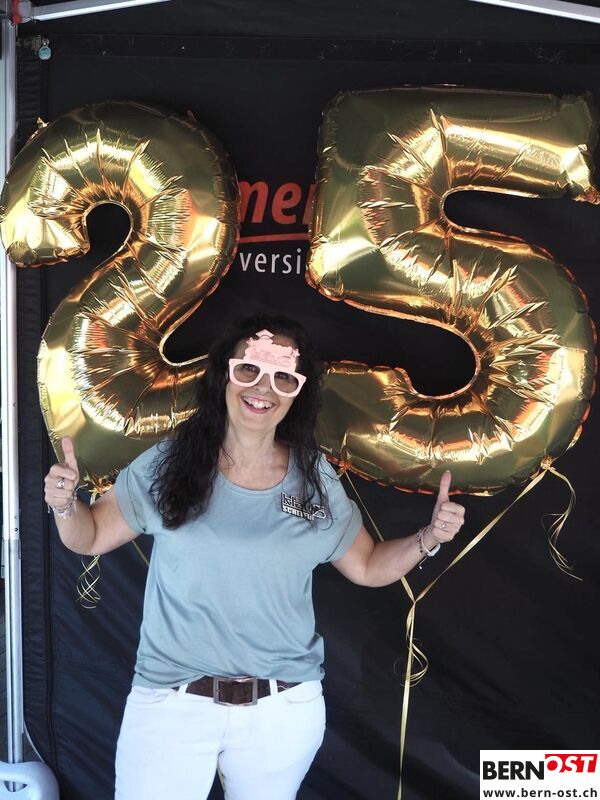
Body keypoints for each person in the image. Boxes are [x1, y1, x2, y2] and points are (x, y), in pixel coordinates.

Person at [44, 314, 465, 800]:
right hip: (172, 705)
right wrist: (63, 504)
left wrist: (429, 536)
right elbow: (91, 536)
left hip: (280, 711)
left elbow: (368, 566)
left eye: (284, 377)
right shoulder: (170, 462)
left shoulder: (314, 478)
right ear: (224, 374)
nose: (263, 388)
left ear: (298, 392)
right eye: (249, 369)